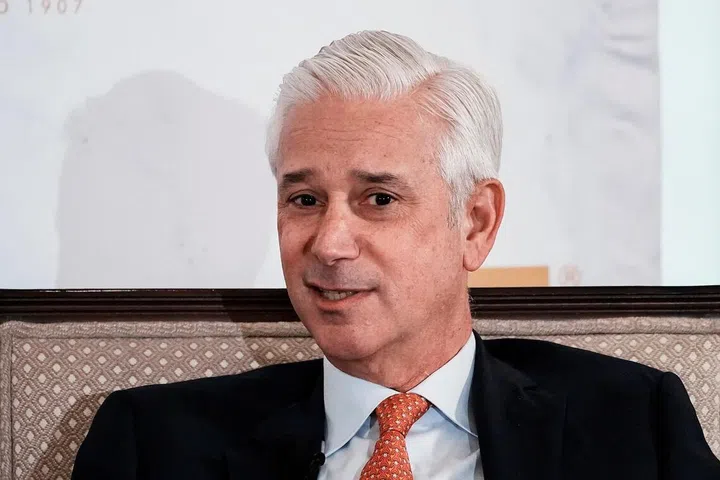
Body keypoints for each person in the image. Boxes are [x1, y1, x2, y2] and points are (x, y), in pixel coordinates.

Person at [71, 30, 720, 480]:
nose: (329, 244)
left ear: (476, 222)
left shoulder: (634, 422)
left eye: (378, 199)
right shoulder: (152, 443)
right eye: (304, 199)